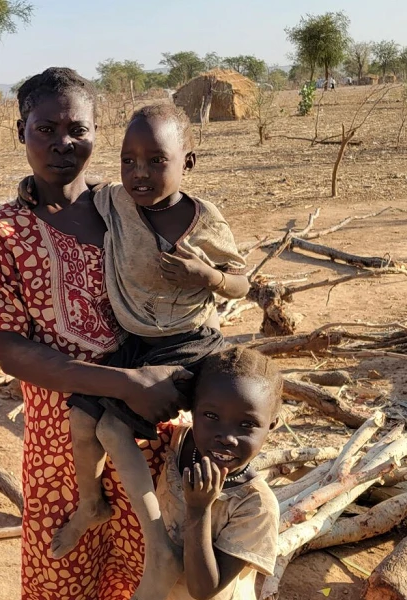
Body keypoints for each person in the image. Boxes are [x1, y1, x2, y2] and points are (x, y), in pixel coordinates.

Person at [0, 67, 193, 600]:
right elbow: (12, 353)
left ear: (97, 132)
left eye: (77, 129)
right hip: (60, 444)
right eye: (46, 129)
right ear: (21, 131)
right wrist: (127, 383)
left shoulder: (131, 210)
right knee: (62, 582)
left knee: (155, 569)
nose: (63, 143)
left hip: (151, 427)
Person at [54, 103, 250, 600]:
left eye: (156, 161)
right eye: (128, 160)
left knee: (113, 428)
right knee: (81, 424)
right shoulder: (116, 202)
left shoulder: (204, 220)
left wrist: (209, 277)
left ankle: (159, 535)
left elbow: (241, 282)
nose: (139, 173)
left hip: (188, 344)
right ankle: (91, 503)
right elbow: (79, 190)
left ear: (189, 161)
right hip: (134, 344)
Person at [158, 347, 282, 600]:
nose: (226, 438)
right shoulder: (178, 443)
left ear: (271, 425)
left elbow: (204, 590)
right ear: (192, 411)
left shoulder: (256, 506)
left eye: (247, 424)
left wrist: (199, 509)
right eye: (211, 416)